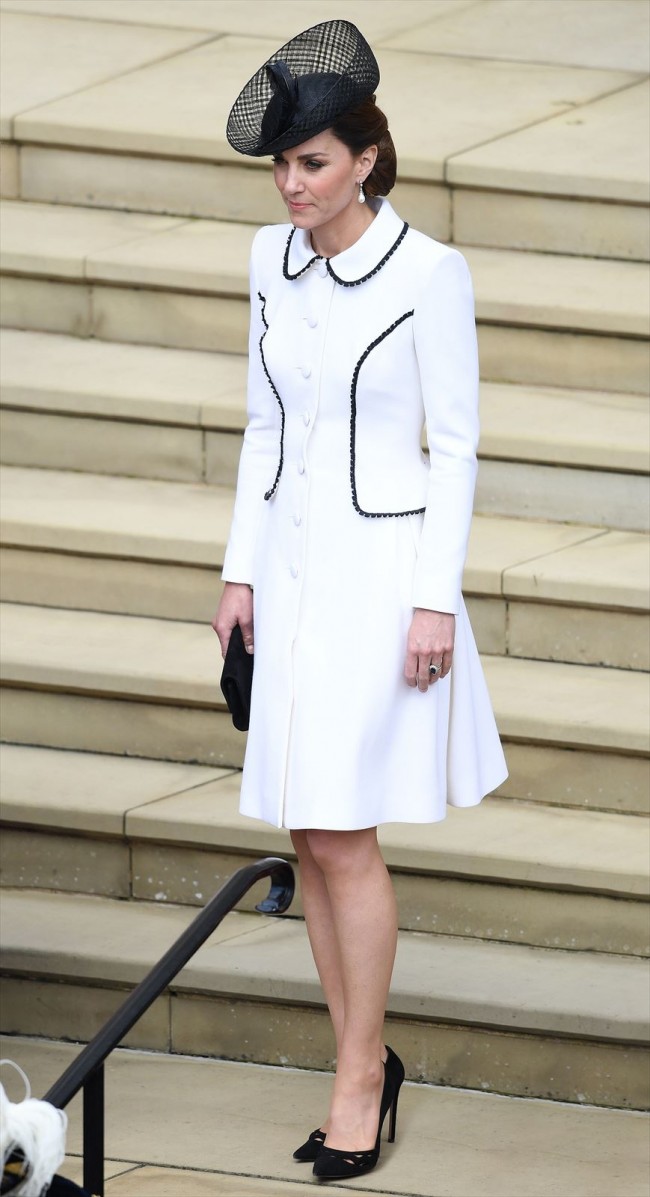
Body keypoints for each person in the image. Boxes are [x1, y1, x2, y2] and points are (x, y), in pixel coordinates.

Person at [213, 19, 508, 1182]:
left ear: (367, 160)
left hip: (383, 589)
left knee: (342, 833)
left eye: (314, 162)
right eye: (284, 165)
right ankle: (358, 1062)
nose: (293, 186)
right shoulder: (264, 259)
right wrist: (236, 573)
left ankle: (356, 1077)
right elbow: (260, 426)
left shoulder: (430, 274)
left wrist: (433, 603)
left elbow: (457, 447)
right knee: (305, 824)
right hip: (286, 579)